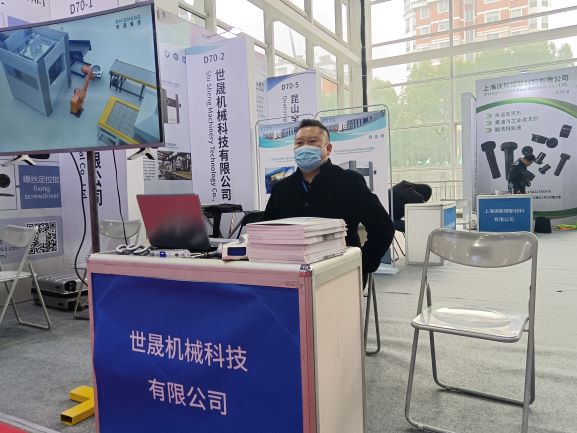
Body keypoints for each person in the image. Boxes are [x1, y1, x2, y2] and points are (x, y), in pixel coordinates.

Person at [262, 118, 395, 286]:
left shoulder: (349, 182)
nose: (304, 147)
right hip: (291, 274)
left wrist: (362, 263)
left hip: (341, 273)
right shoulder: (282, 188)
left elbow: (382, 227)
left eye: (312, 142)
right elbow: (266, 232)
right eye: (299, 143)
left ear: (328, 148)